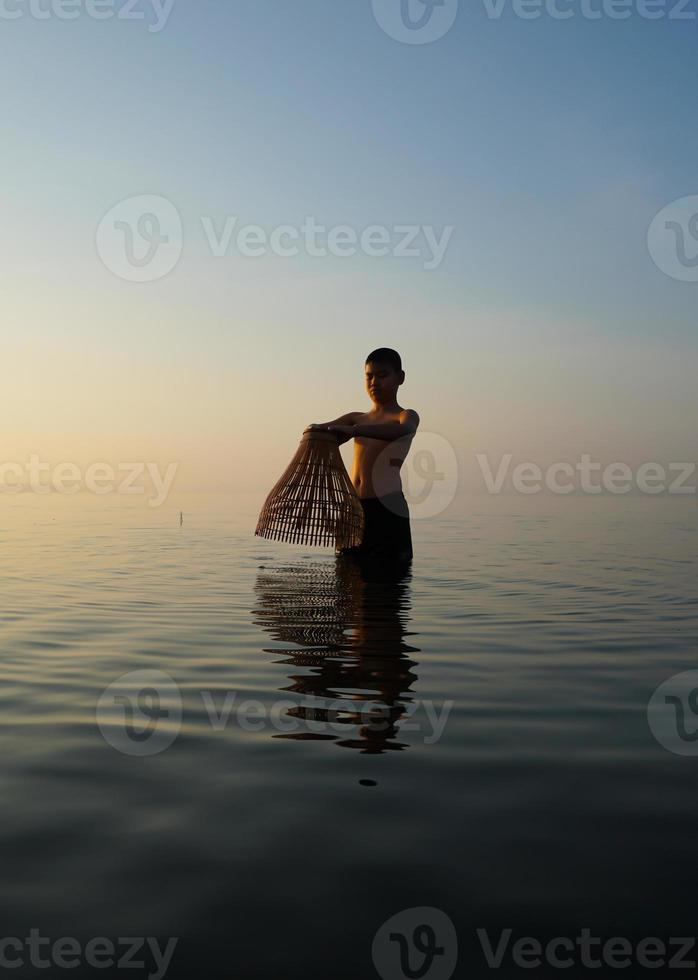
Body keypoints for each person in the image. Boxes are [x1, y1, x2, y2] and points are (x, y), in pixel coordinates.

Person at [304, 348, 419, 562]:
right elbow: (322, 431)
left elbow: (405, 430)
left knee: (389, 577)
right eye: (369, 376)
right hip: (353, 509)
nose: (374, 382)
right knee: (347, 577)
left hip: (387, 508)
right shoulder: (356, 418)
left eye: (382, 375)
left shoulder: (404, 416)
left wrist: (355, 431)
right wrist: (314, 430)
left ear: (400, 378)